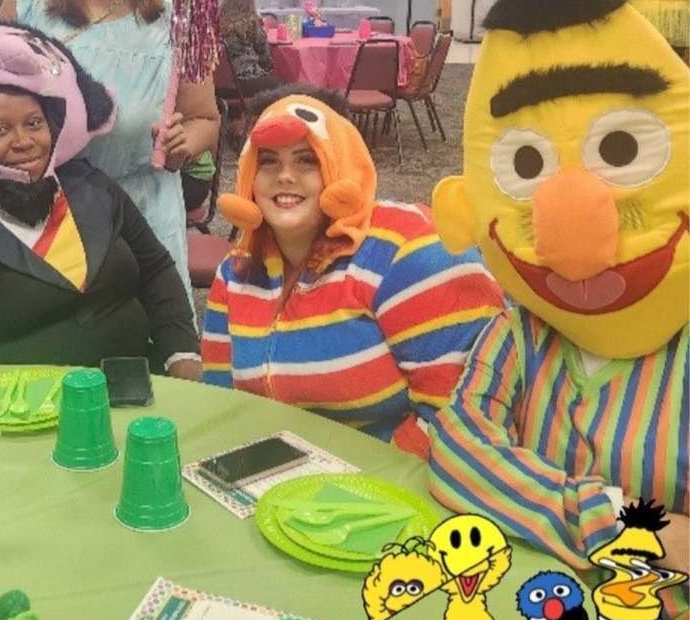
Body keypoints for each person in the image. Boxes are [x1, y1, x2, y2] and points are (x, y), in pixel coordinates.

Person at [427, 0, 688, 582]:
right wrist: (625, 522)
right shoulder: (522, 327)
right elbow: (458, 449)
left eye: (621, 151)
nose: (572, 225)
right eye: (526, 166)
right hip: (527, 610)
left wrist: (525, 499)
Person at [0, 16, 201, 377]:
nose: (23, 141)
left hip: (140, 384)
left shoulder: (92, 185)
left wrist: (182, 355)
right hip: (31, 403)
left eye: (34, 123)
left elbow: (156, 269)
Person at [201, 85, 505, 456]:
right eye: (268, 161)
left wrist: (364, 481)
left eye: (307, 160)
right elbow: (223, 403)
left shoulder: (409, 250)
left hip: (397, 477)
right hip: (278, 476)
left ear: (340, 165)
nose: (285, 176)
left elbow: (458, 414)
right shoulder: (234, 274)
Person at [2, 0, 218, 300]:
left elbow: (206, 119)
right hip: (46, 212)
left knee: (142, 336)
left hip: (142, 215)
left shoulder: (175, 22)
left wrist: (184, 143)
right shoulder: (28, 4)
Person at [219, 0, 280, 97]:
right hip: (247, 80)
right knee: (280, 86)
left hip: (223, 85)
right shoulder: (252, 23)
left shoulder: (219, 22)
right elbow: (265, 58)